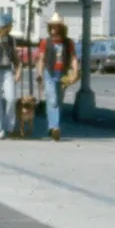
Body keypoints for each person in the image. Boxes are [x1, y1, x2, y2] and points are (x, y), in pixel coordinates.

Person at [35, 13, 79, 141]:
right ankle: (55, 127)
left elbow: (73, 58)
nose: (53, 29)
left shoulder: (68, 42)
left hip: (63, 74)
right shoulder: (45, 42)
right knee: (52, 99)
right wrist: (39, 73)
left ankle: (52, 127)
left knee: (58, 101)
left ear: (61, 28)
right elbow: (41, 59)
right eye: (52, 26)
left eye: (56, 26)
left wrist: (75, 71)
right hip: (50, 73)